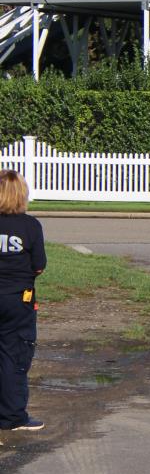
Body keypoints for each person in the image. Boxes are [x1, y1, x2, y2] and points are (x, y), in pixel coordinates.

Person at [0, 169, 46, 433]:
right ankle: (12, 416)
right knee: (14, 354)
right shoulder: (30, 226)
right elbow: (39, 265)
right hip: (17, 300)